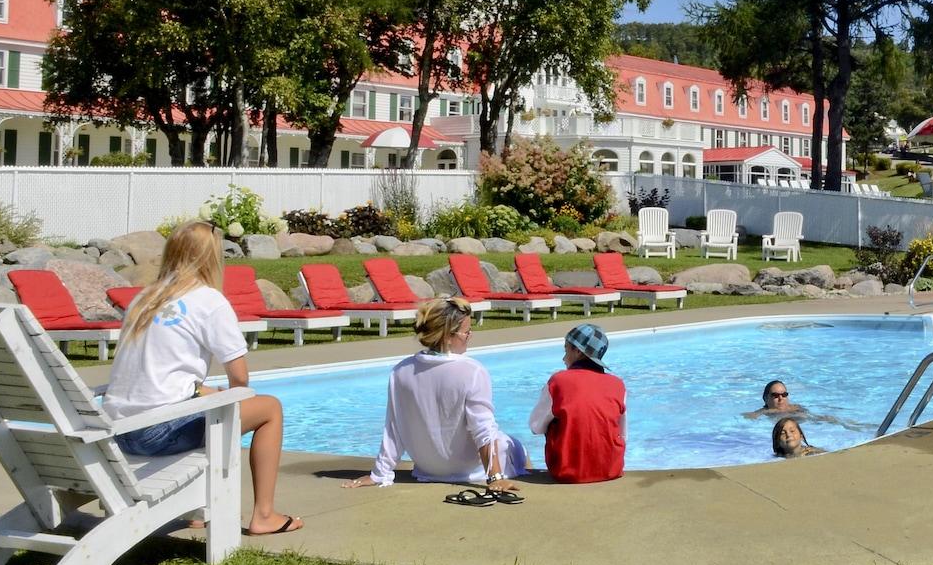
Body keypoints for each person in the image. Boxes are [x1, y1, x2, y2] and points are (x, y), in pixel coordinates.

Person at [100, 221, 300, 536]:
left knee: (209, 397)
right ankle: (264, 514)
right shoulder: (208, 301)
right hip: (156, 433)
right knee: (268, 409)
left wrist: (204, 391)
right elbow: (240, 380)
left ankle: (195, 509)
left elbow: (157, 374)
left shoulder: (143, 299)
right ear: (211, 258)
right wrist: (224, 398)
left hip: (118, 430)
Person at [343, 298, 529, 498]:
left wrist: (380, 473)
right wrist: (495, 477)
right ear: (448, 336)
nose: (470, 336)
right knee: (516, 446)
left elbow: (394, 428)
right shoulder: (472, 371)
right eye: (466, 332)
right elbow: (483, 428)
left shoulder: (401, 371)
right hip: (469, 470)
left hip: (428, 469)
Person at [529, 322, 626, 483]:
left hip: (567, 472)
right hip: (611, 469)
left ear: (578, 352)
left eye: (566, 349)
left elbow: (535, 427)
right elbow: (623, 434)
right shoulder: (618, 384)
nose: (563, 358)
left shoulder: (558, 381)